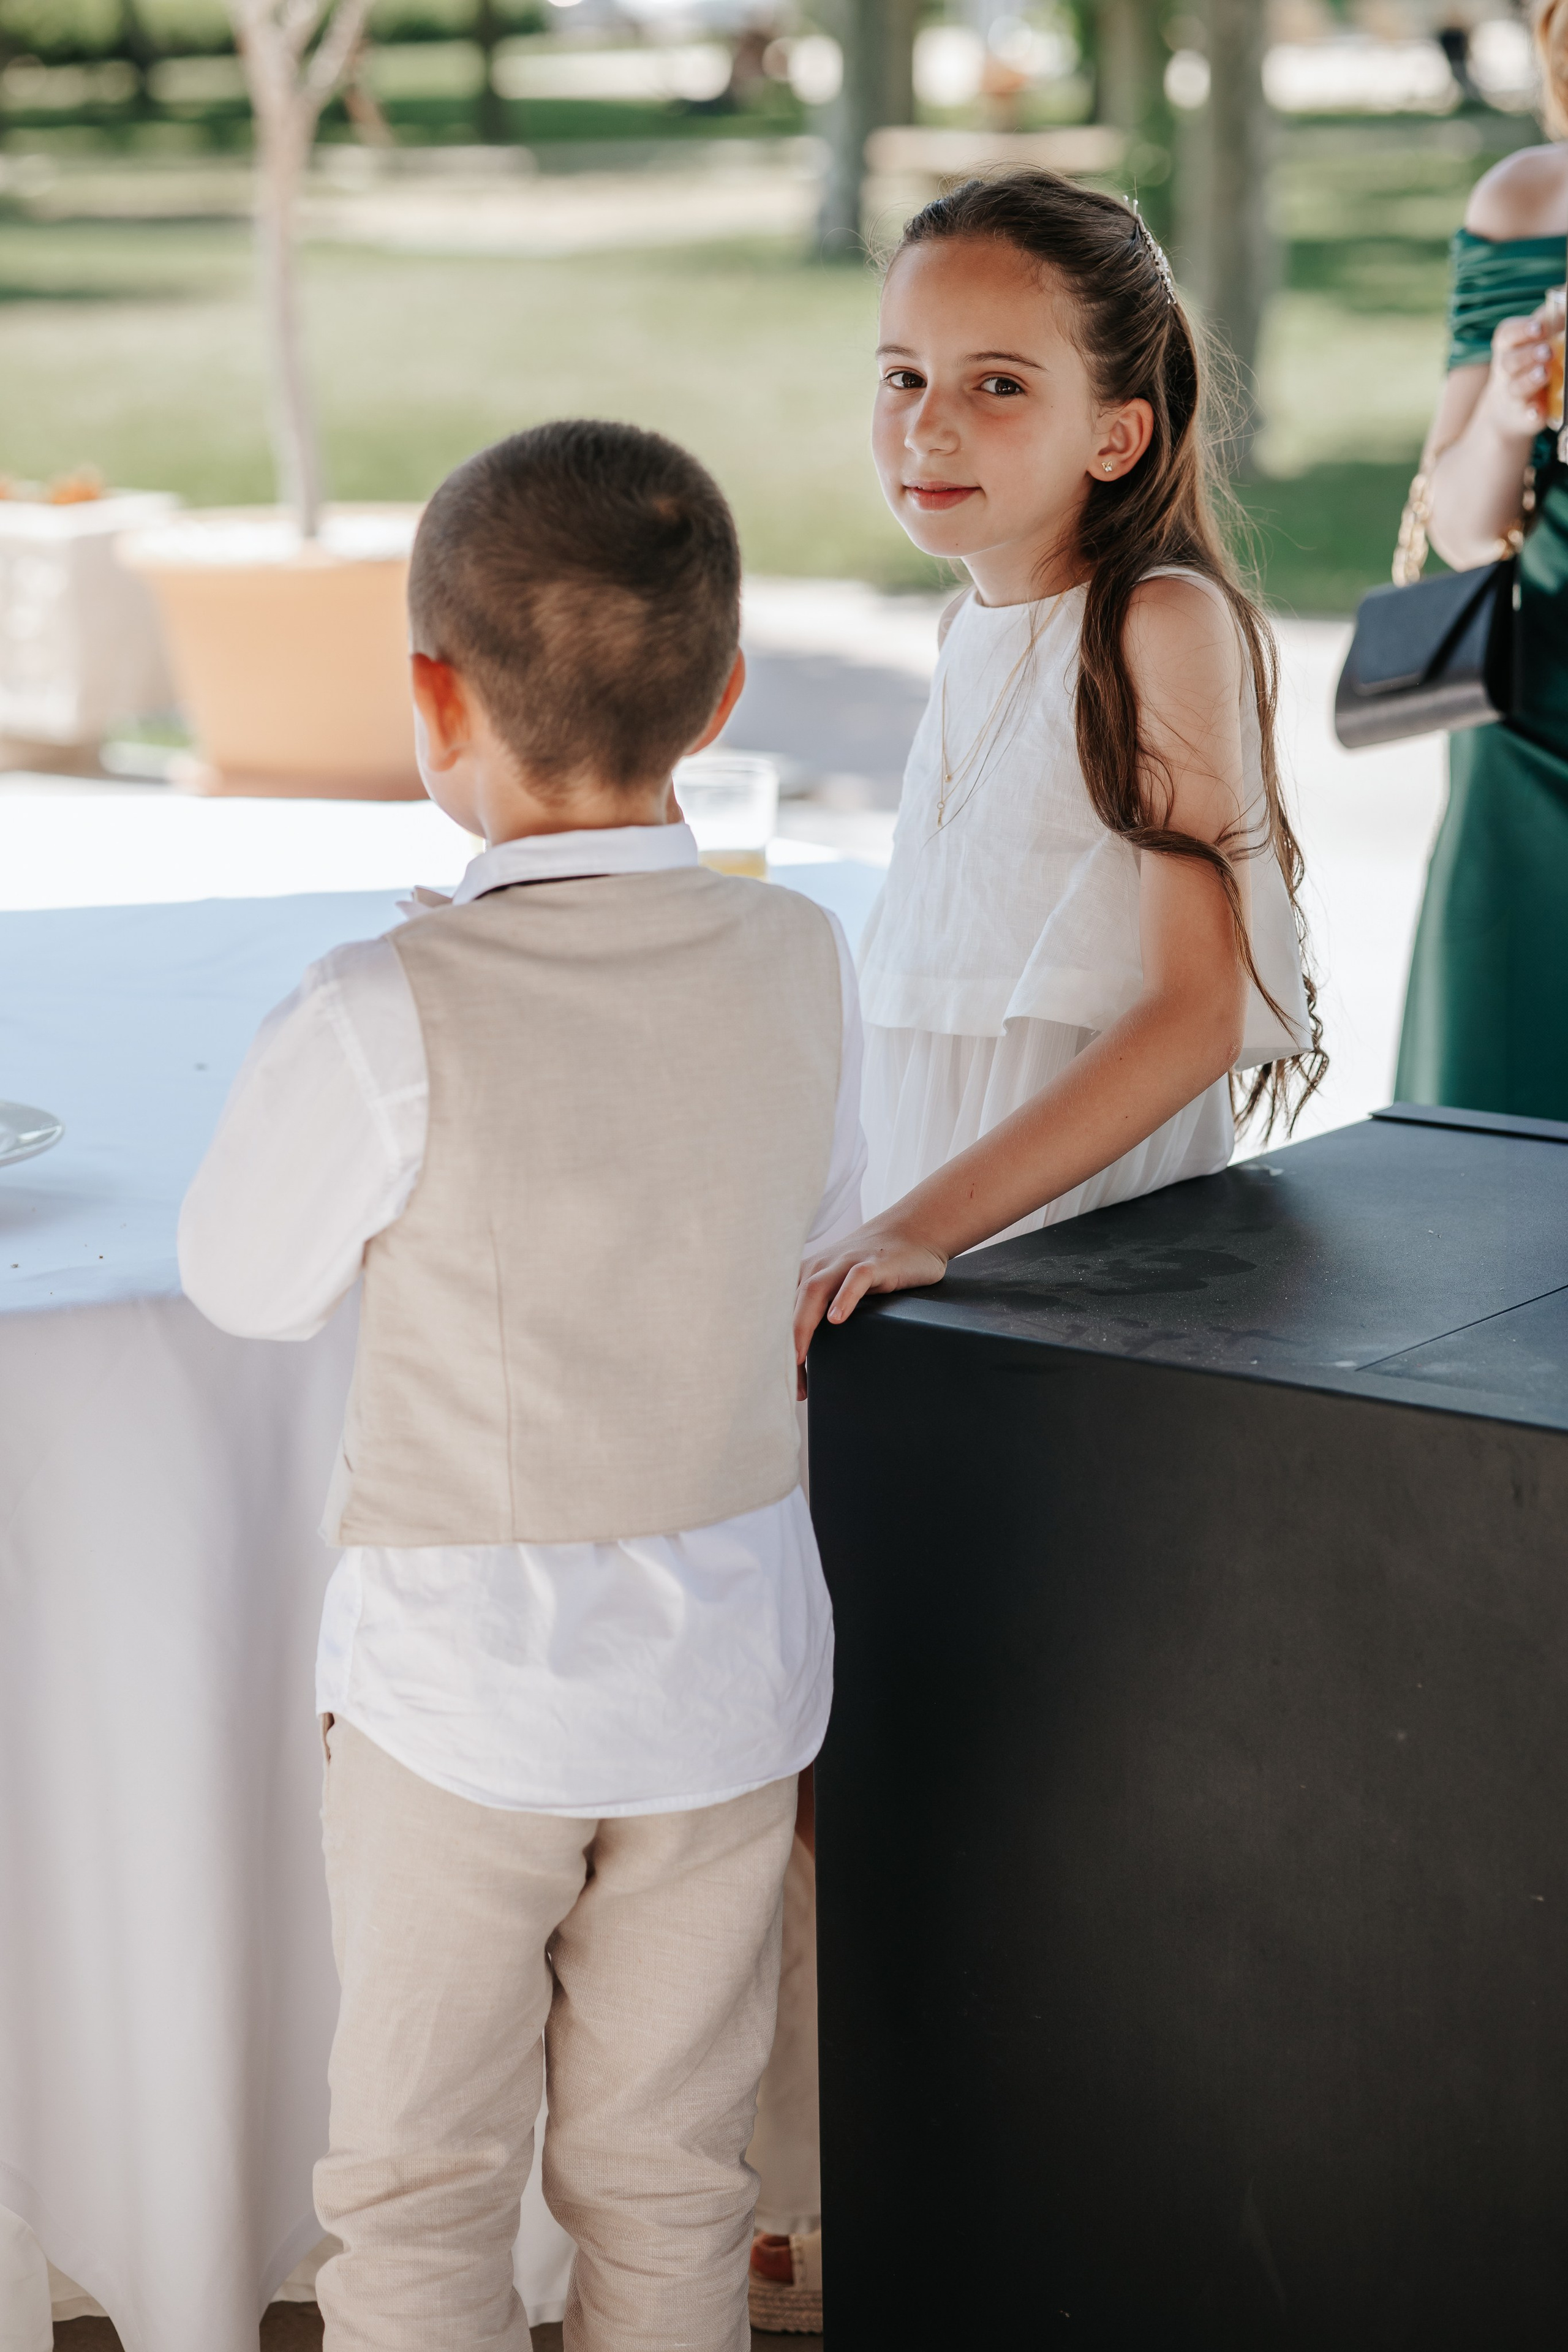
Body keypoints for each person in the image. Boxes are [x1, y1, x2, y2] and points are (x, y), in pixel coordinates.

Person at [178, 419, 867, 2352]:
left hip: (464, 1697)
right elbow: (819, 1239)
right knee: (671, 2180)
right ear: (723, 697)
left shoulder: (380, 1009)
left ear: (429, 698)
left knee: (417, 2192)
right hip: (730, 1684)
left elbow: (243, 1283)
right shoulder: (805, 958)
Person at [794, 166, 1321, 1346]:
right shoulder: (961, 629)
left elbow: (1198, 1012)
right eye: (902, 376)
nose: (930, 424)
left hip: (1068, 1251)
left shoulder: (1157, 624)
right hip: (927, 1225)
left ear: (1117, 435)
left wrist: (924, 1226)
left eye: (999, 384)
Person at [1394, 0, 1568, 1120]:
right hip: (1529, 741)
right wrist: (1511, 408)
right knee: (1487, 1170)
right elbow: (1457, 533)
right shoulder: (1527, 203)